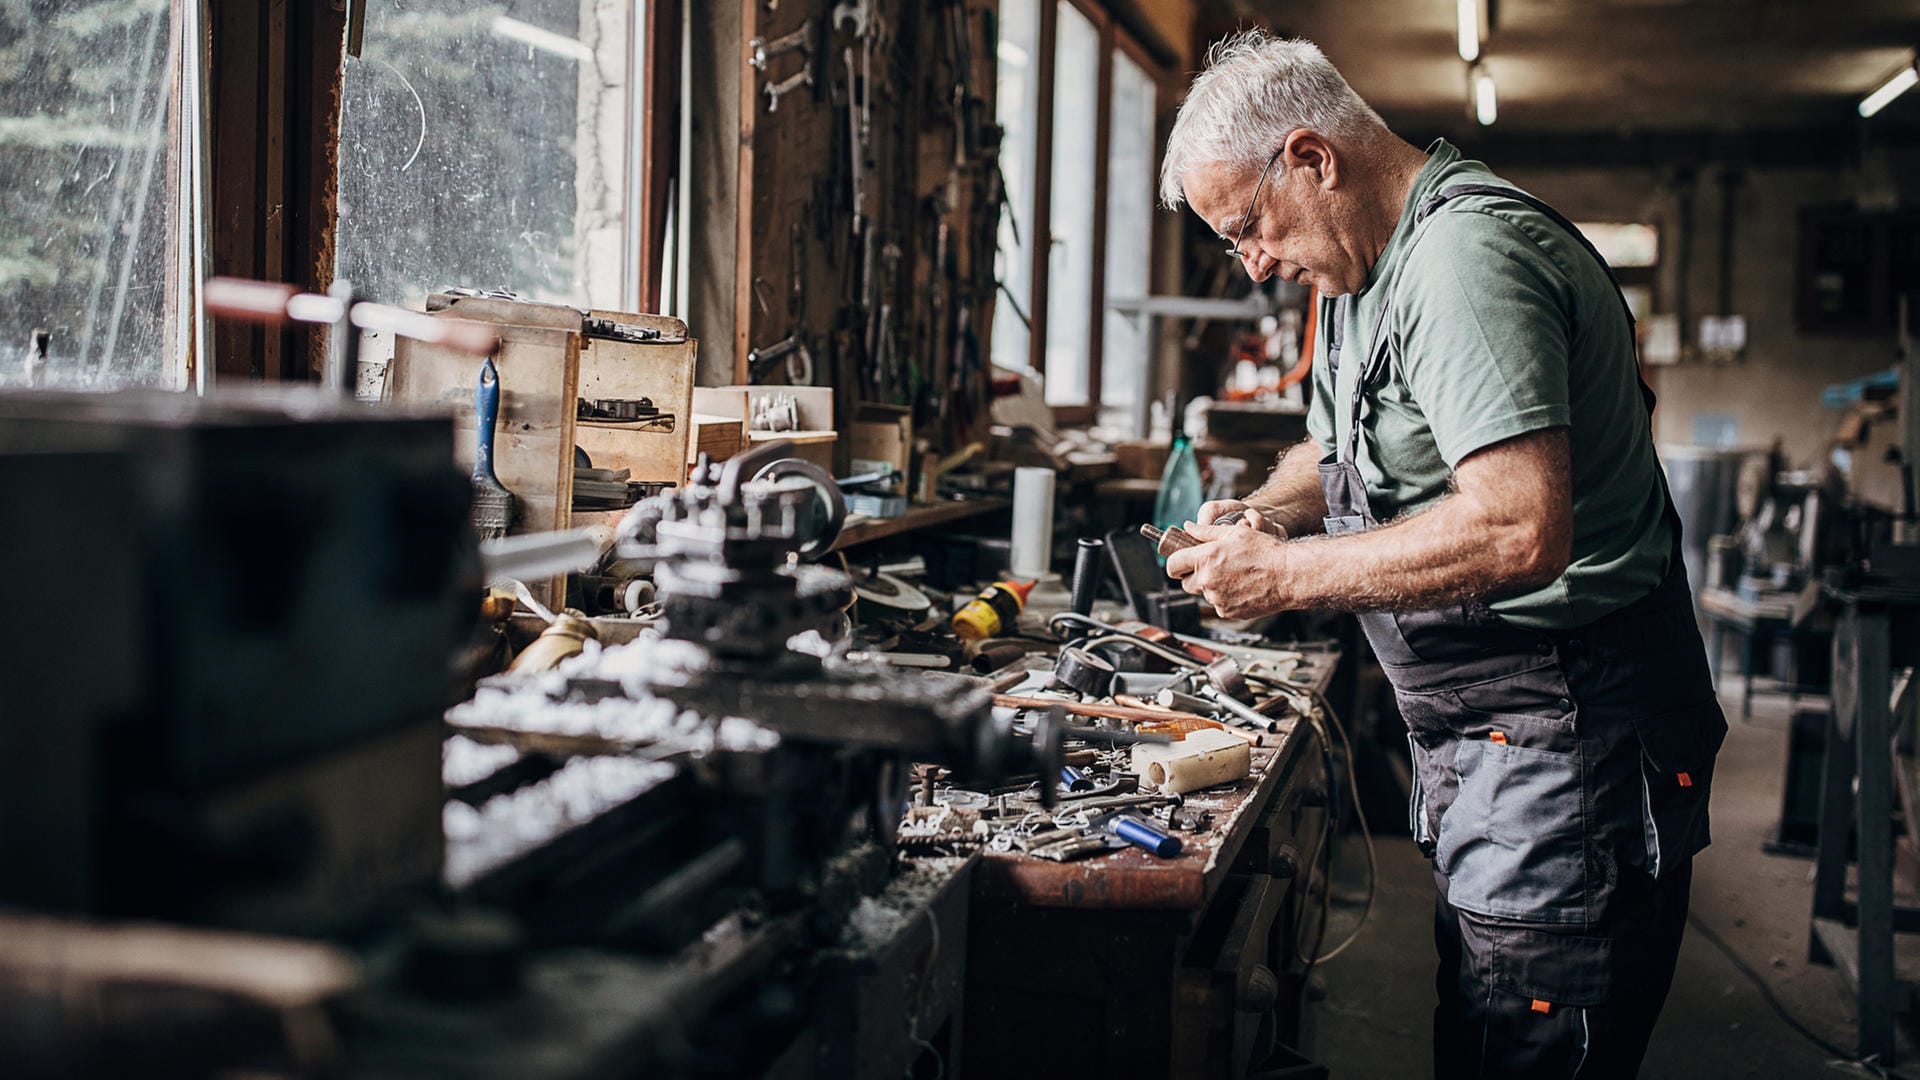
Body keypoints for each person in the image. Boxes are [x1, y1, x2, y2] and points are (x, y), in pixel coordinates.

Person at [1157, 31, 1726, 1079]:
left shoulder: (1464, 265)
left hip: (1570, 734)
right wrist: (1271, 519)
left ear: (1312, 158)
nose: (1256, 262)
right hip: (1490, 741)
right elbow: (1331, 446)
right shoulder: (1364, 271)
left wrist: (1284, 580)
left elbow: (1518, 526)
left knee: (1531, 1044)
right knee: (1482, 1023)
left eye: (1249, 227)